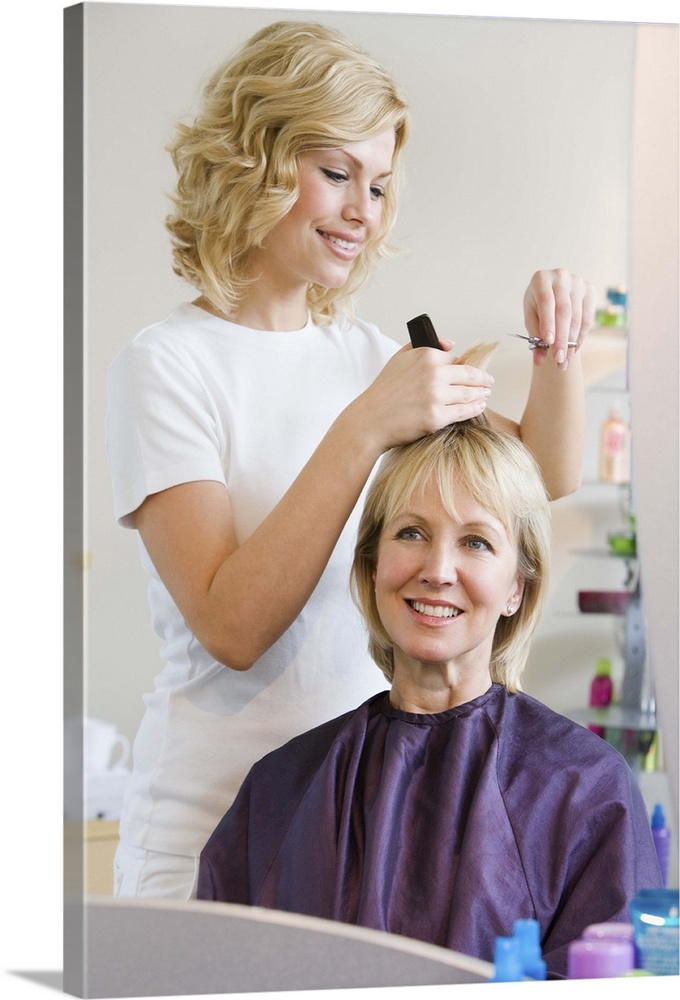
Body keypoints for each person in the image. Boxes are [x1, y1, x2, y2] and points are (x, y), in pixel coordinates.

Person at [106, 19, 596, 900]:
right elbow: (233, 626)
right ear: (254, 161)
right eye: (336, 174)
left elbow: (539, 480)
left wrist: (559, 349)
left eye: (378, 184)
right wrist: (366, 426)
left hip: (346, 830)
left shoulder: (373, 359)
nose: (363, 212)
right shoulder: (166, 364)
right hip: (204, 828)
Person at [198, 406, 662, 978]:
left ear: (517, 587)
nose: (438, 569)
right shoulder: (281, 788)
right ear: (373, 565)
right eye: (412, 533)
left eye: (476, 542)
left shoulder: (586, 792)